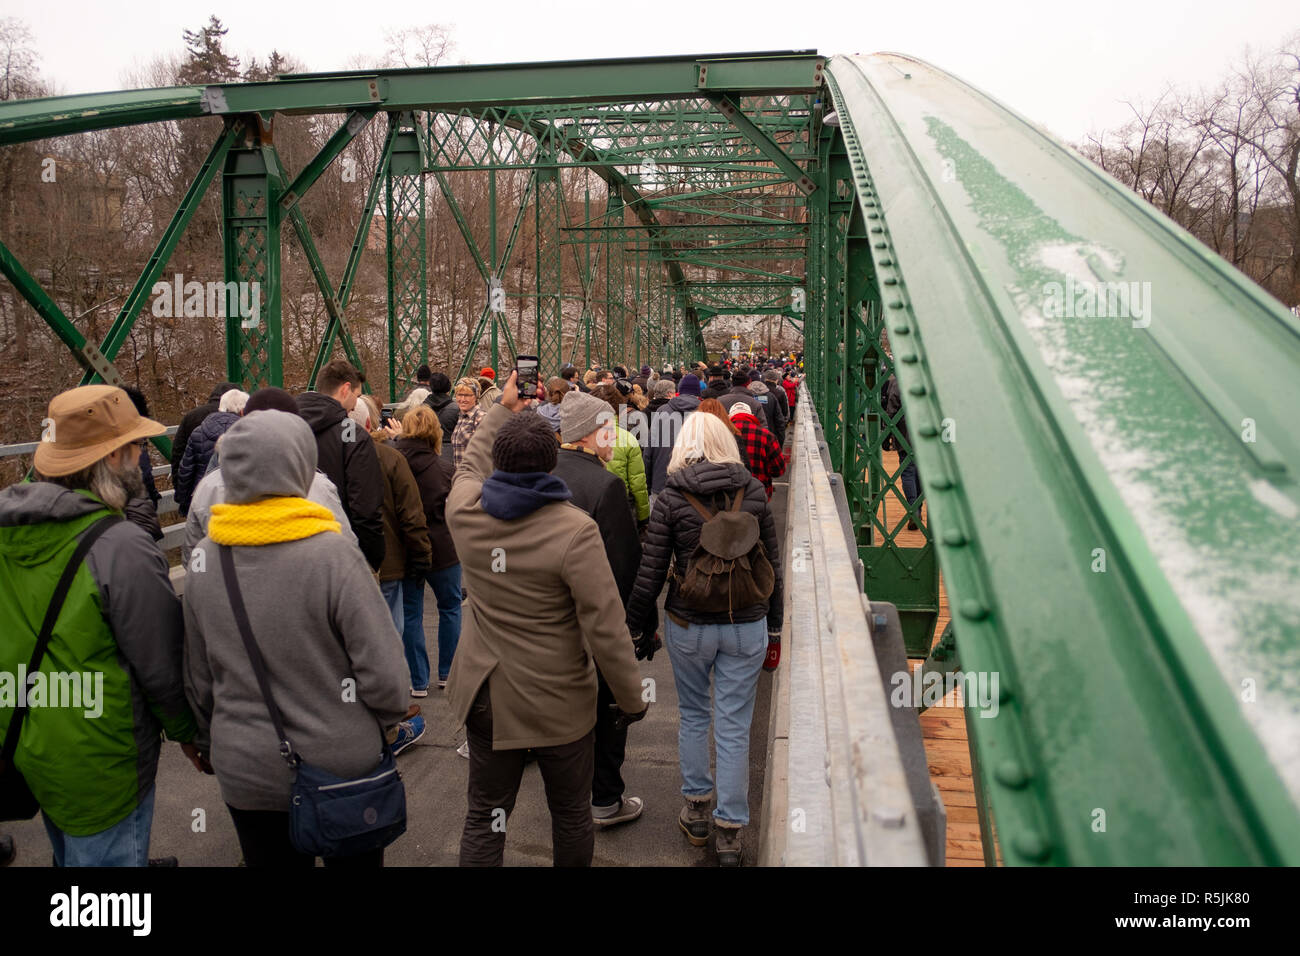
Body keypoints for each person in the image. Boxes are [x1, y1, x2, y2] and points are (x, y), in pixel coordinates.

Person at [182, 410, 414, 868]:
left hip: (247, 767)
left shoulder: (205, 560)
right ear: (300, 465)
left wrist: (209, 739)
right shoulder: (334, 554)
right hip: (342, 763)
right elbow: (386, 675)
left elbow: (199, 675)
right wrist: (388, 719)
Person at [445, 373, 647, 867]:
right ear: (551, 458)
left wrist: (502, 408)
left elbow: (468, 467)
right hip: (560, 701)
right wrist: (629, 695)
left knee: (485, 816)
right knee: (570, 815)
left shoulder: (466, 514)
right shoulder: (575, 531)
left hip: (490, 694)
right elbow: (605, 624)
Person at [1, 385, 201, 866]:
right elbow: (160, 663)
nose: (140, 457)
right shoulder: (121, 546)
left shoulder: (10, 533)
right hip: (103, 757)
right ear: (113, 458)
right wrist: (189, 734)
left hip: (27, 735)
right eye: (134, 447)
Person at [623, 411, 783, 867]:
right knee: (734, 724)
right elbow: (771, 564)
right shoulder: (752, 491)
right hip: (745, 622)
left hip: (689, 623)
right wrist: (775, 626)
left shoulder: (672, 498)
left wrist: (638, 625)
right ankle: (731, 831)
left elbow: (651, 570)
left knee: (694, 715)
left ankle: (696, 811)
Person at [551, 391, 646, 829]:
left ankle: (567, 798)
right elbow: (623, 566)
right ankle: (604, 799)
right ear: (592, 434)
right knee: (608, 708)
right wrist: (638, 627)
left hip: (552, 618)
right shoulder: (605, 486)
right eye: (609, 428)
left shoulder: (543, 471)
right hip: (594, 622)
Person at [183, 387, 356, 565]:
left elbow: (194, 559)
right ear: (296, 425)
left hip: (227, 586)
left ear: (244, 416)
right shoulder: (318, 485)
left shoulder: (207, 487)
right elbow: (347, 552)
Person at [353, 396, 432, 663]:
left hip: (339, 562)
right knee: (390, 628)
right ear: (369, 422)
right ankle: (392, 692)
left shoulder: (319, 454)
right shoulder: (390, 457)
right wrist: (421, 555)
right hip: (386, 560)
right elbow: (410, 513)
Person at [392, 406, 462, 694]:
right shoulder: (445, 469)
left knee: (410, 612)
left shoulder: (393, 464)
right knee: (450, 607)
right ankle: (448, 672)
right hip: (443, 547)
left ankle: (417, 679)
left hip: (406, 546)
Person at [296, 359, 386, 571]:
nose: (356, 404)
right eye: (356, 396)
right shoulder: (353, 435)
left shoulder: (283, 427)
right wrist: (373, 559)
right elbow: (365, 508)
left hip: (289, 548)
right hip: (339, 555)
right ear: (346, 389)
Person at [174, 389, 247, 516]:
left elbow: (186, 470)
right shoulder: (247, 433)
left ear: (221, 408)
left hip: (203, 500)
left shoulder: (199, 431)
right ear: (242, 411)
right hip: (238, 502)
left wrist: (185, 502)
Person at [590, 384, 650, 526]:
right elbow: (638, 484)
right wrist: (644, 517)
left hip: (587, 505)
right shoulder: (628, 439)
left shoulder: (581, 436)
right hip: (620, 505)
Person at [644, 373, 701, 500]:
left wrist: (648, 483)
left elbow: (649, 451)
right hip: (695, 485)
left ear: (679, 391)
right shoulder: (705, 412)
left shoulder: (662, 411)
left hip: (661, 482)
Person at [171, 381, 236, 481]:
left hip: (197, 485)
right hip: (231, 484)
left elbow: (178, 453)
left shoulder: (191, 416)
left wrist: (179, 489)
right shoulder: (239, 418)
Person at [882, 375, 922, 530]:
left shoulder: (898, 381)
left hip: (904, 434)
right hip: (924, 434)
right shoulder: (926, 378)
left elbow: (891, 409)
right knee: (919, 472)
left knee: (908, 472)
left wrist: (886, 435)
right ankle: (918, 507)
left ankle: (914, 510)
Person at [726, 404, 786, 500]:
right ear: (752, 416)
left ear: (730, 416)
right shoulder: (767, 436)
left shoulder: (722, 435)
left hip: (730, 495)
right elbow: (779, 470)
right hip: (760, 494)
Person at [450, 377, 486, 471]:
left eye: (467, 395)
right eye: (459, 395)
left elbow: (484, 452)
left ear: (476, 396)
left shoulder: (480, 417)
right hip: (460, 475)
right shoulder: (461, 417)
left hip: (474, 475)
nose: (462, 399)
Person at [422, 372, 460, 460]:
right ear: (448, 388)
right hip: (451, 454)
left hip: (428, 453)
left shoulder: (421, 409)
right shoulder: (456, 409)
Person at [756, 370, 789, 446]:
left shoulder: (757, 393)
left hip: (758, 430)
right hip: (774, 431)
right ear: (776, 380)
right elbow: (785, 412)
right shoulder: (780, 393)